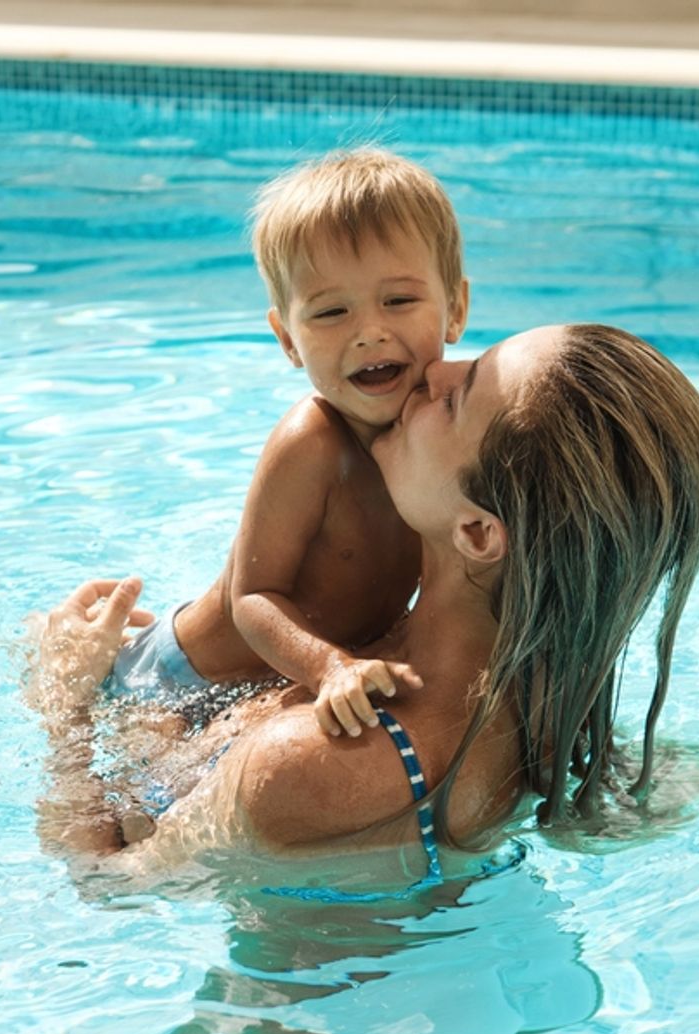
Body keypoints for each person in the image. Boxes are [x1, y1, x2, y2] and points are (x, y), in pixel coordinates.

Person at [29, 324, 699, 877]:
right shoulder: (542, 708)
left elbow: (108, 884)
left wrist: (64, 703)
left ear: (479, 531)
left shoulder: (322, 762)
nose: (434, 371)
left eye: (457, 398)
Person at [111, 147, 470, 739]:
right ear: (288, 339)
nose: (369, 332)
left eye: (399, 301)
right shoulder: (313, 443)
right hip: (181, 682)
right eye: (331, 312)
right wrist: (329, 669)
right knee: (125, 822)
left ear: (454, 308)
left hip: (282, 683)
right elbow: (252, 598)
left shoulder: (453, 434)